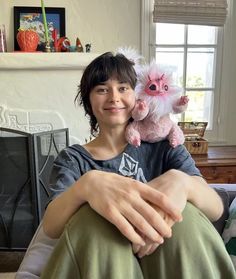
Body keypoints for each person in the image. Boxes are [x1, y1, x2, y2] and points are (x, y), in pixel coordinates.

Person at [40, 51, 236, 278]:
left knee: (187, 218)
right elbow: (51, 226)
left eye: (123, 88)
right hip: (106, 258)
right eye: (102, 89)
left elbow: (215, 208)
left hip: (168, 255)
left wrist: (183, 183)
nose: (114, 97)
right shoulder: (73, 159)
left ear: (138, 96)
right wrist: (87, 185)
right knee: (90, 223)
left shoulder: (164, 146)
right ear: (88, 100)